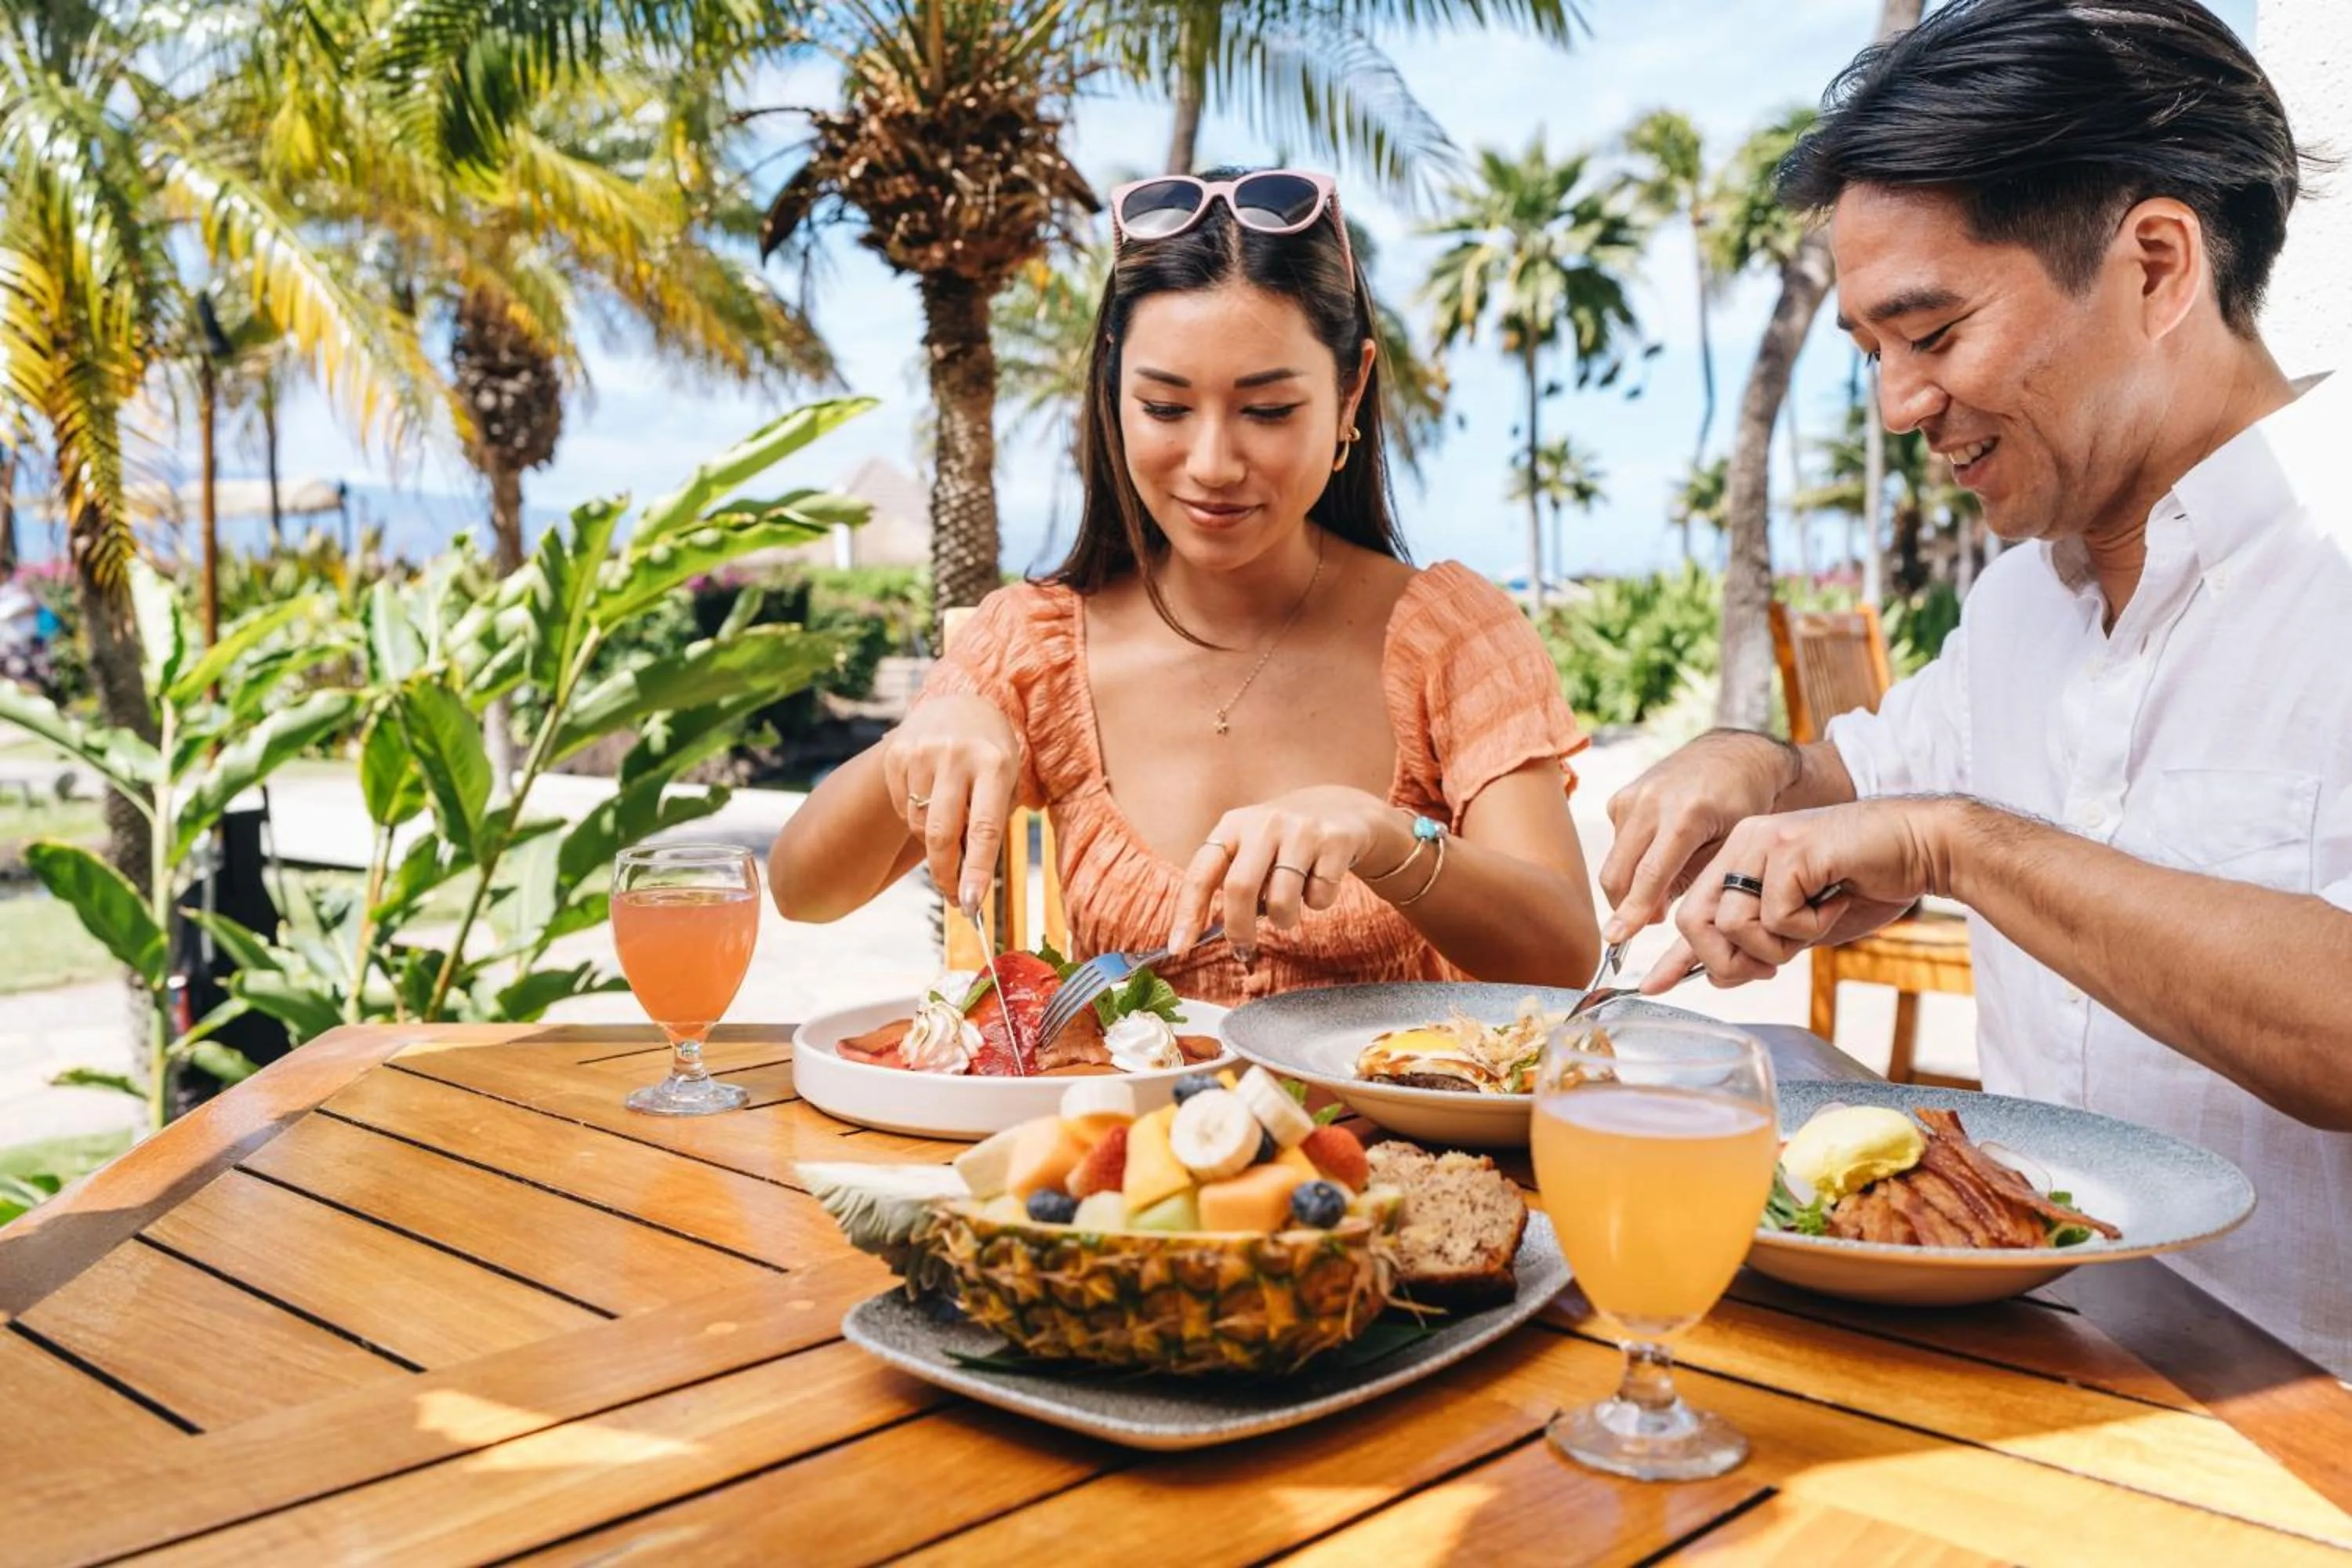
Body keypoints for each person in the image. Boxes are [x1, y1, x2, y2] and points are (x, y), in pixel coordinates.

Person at [1602, 0, 2351, 1378]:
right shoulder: (2020, 603)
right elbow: (1850, 789)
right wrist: (1749, 764)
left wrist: (1962, 843)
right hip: (2042, 1375)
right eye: (1873, 354)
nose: (1898, 405)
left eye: (1933, 332)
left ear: (2158, 264)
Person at [772, 168, 1600, 1004]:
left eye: (1268, 410)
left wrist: (1386, 838)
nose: (1212, 465)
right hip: (1131, 1136)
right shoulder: (1037, 645)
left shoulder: (1451, 635)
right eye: (1165, 408)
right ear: (1113, 389)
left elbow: (1563, 954)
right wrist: (914, 743)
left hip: (1393, 1135)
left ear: (1350, 392)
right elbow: (805, 893)